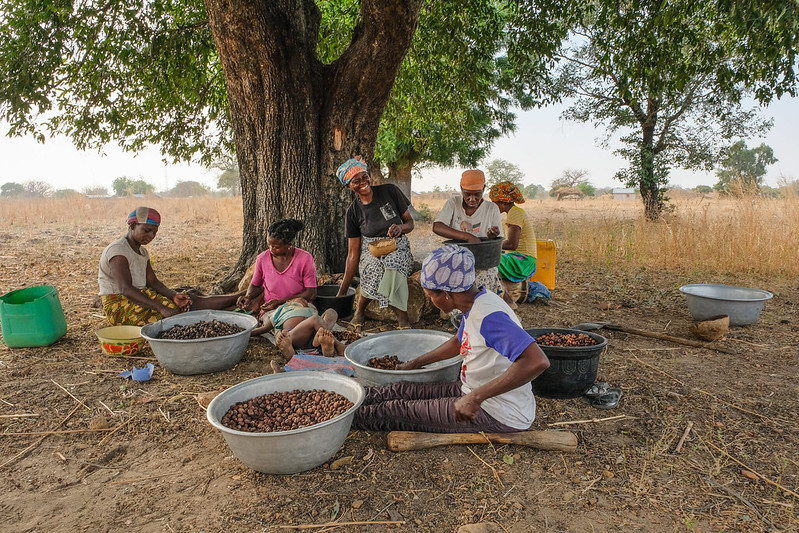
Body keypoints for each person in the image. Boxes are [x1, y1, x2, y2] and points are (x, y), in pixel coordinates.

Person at [352, 245, 550, 433]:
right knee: (398, 391)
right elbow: (458, 342)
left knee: (394, 410)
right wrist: (414, 363)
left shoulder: (489, 317)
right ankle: (351, 397)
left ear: (446, 294)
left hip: (499, 411)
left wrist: (475, 397)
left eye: (431, 296)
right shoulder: (477, 300)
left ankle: (341, 418)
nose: (431, 300)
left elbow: (537, 361)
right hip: (471, 389)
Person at [98, 207, 242, 326]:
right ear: (132, 225)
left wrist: (173, 295)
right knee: (179, 317)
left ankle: (239, 303)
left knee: (188, 302)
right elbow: (125, 289)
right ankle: (239, 302)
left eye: (154, 232)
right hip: (121, 306)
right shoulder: (118, 251)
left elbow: (152, 282)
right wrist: (161, 308)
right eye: (147, 230)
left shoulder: (141, 251)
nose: (151, 236)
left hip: (140, 296)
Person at [335, 157, 415, 329]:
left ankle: (402, 317)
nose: (363, 182)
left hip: (397, 244)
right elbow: (353, 253)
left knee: (394, 263)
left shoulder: (389, 191)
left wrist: (400, 228)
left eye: (365, 177)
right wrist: (342, 291)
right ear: (349, 186)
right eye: (356, 181)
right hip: (371, 249)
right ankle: (360, 311)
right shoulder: (353, 212)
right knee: (373, 268)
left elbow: (410, 223)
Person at [432, 169, 503, 294]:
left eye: (477, 194)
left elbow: (498, 241)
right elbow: (437, 226)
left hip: (482, 260)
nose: (472, 199)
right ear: (461, 189)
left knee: (485, 277)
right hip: (456, 257)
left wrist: (492, 235)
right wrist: (467, 237)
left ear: (484, 189)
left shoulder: (491, 209)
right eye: (467, 194)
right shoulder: (453, 203)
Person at [236, 218, 317, 315]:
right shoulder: (262, 258)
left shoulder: (305, 258)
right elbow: (255, 284)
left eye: (276, 247)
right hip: (271, 309)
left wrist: (280, 301)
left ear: (289, 244)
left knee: (293, 321)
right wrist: (248, 296)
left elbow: (310, 294)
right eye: (269, 244)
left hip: (298, 307)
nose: (271, 249)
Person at [489, 181, 538, 309]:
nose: (493, 207)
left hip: (525, 262)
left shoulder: (515, 213)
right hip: (520, 258)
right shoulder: (514, 212)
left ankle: (507, 300)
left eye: (494, 203)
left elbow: (512, 244)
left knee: (490, 261)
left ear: (502, 202)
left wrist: (491, 246)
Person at [252, 298, 346, 358]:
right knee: (315, 320)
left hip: (314, 334)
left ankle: (323, 342)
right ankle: (337, 346)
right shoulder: (281, 309)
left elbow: (322, 322)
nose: (306, 301)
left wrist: (321, 327)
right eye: (302, 299)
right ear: (289, 301)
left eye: (307, 301)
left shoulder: (310, 308)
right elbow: (264, 328)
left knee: (331, 312)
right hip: (292, 336)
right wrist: (246, 333)